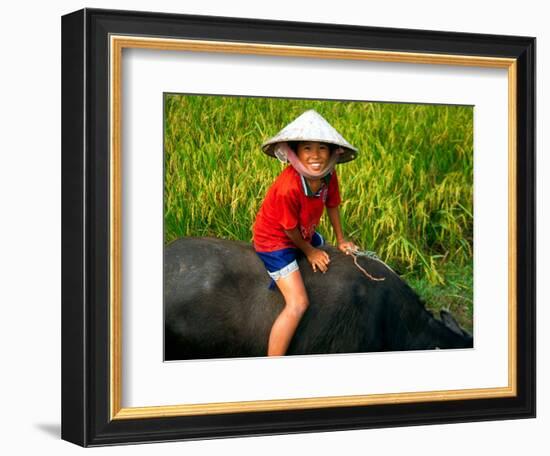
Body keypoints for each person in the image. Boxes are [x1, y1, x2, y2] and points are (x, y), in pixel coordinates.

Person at [252, 110, 359, 356]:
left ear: (333, 153)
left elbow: (332, 204)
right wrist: (310, 252)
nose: (315, 156)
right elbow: (288, 229)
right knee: (298, 303)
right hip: (276, 240)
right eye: (307, 148)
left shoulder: (328, 176)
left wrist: (341, 240)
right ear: (295, 152)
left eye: (322, 148)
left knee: (327, 247)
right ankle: (273, 364)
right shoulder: (288, 187)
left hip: (304, 231)